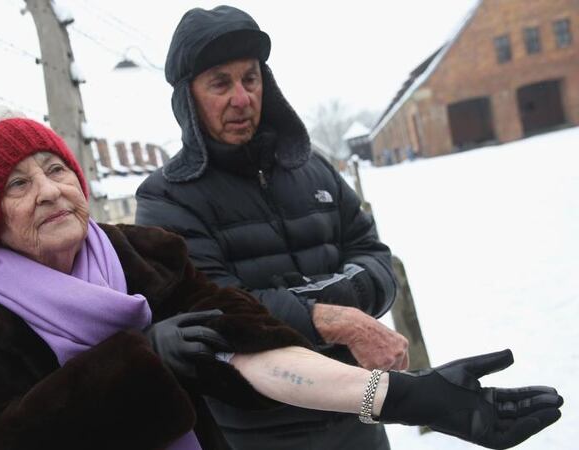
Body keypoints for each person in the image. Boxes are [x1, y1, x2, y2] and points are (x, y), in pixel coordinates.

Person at [0, 106, 562, 450]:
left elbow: (252, 348)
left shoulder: (146, 256)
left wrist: (408, 397)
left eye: (55, 169)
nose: (49, 192)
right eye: (16, 183)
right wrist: (137, 361)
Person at [135, 5, 405, 448]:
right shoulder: (166, 198)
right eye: (220, 83)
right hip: (259, 433)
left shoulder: (314, 168)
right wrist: (335, 318)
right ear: (189, 98)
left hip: (357, 413)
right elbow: (219, 309)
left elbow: (375, 258)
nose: (241, 98)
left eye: (251, 78)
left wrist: (319, 306)